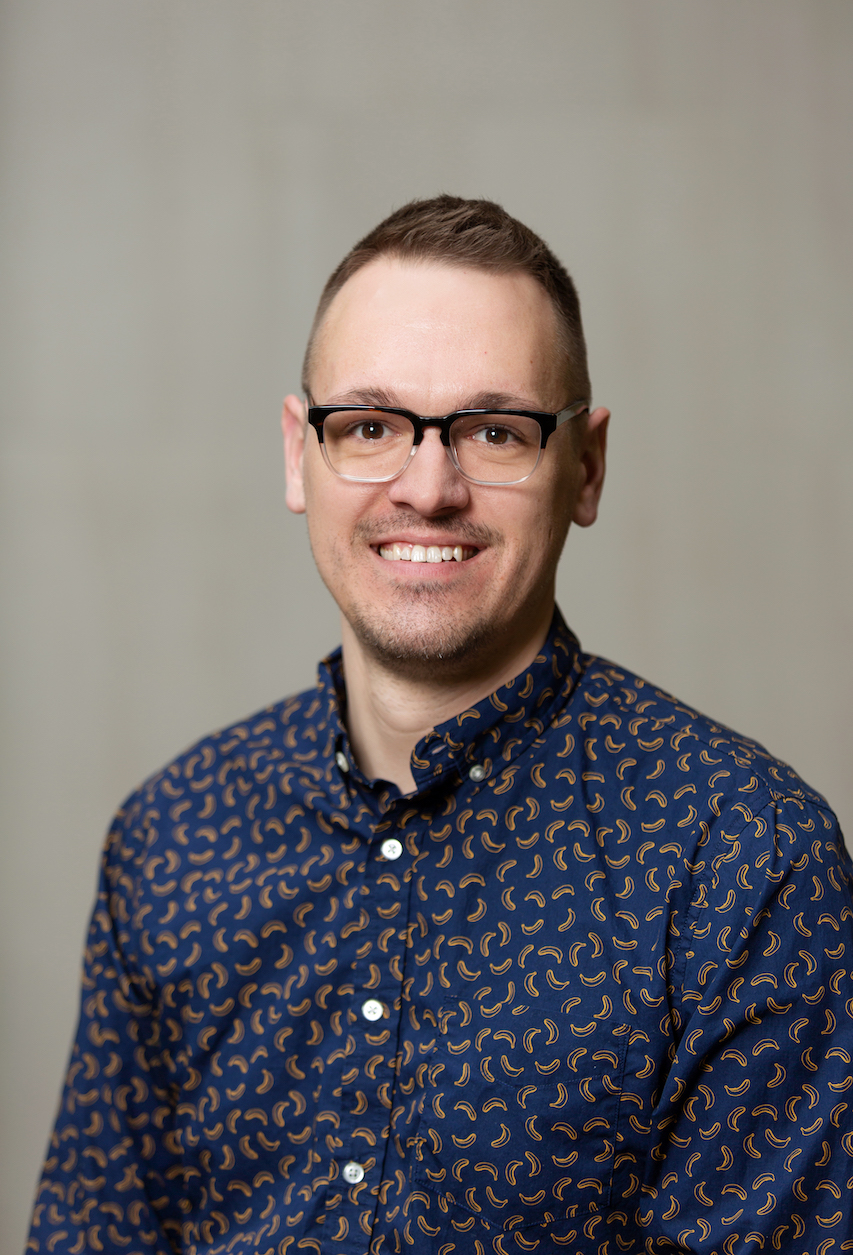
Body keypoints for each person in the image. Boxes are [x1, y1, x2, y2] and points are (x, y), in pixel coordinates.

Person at [28, 197, 853, 1255]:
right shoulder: (171, 835)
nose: (428, 487)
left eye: (494, 430)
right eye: (369, 426)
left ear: (585, 467)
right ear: (298, 452)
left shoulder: (746, 855)